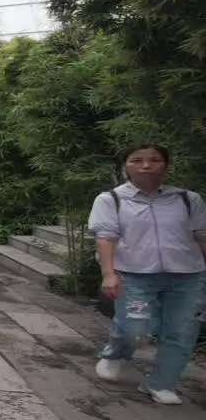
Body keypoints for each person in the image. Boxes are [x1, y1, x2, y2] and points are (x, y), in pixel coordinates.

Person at [87, 143, 206, 405]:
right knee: (132, 325)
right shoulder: (111, 199)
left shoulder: (187, 199)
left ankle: (161, 384)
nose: (146, 166)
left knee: (181, 331)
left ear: (165, 165)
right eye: (137, 160)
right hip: (134, 273)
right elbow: (106, 238)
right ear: (125, 166)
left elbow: (202, 236)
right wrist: (109, 274)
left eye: (154, 160)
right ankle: (116, 353)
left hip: (187, 275)